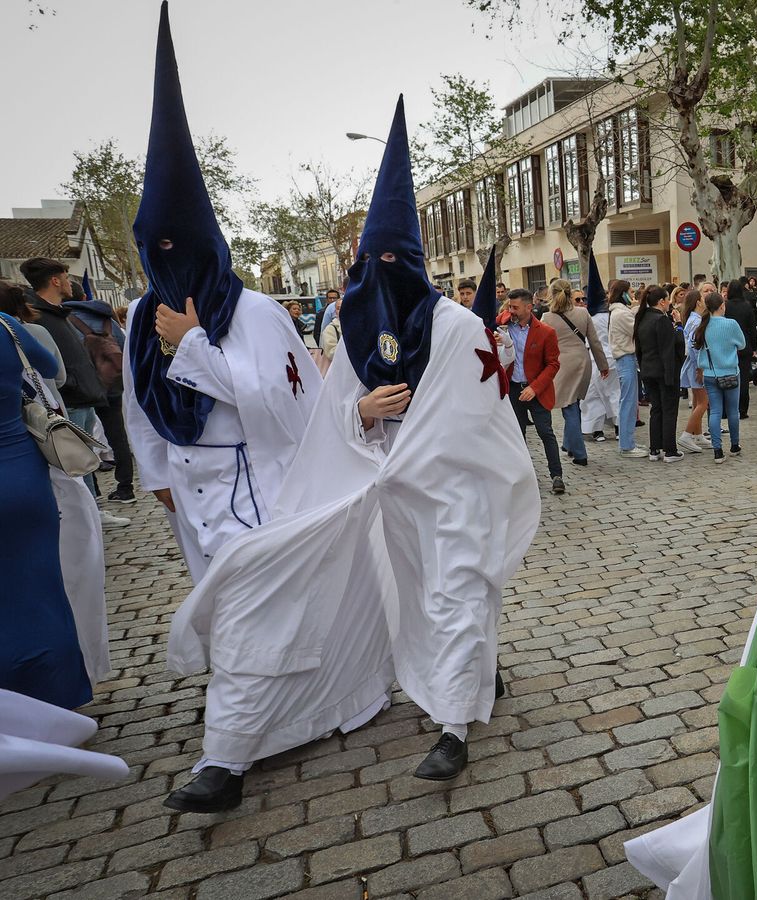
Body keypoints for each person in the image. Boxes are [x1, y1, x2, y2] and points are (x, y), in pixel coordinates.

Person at [166, 94, 539, 804]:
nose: (380, 272)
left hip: (454, 487)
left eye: (392, 260)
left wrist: (409, 448)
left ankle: (455, 725)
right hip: (387, 494)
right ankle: (236, 749)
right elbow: (327, 422)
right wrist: (363, 416)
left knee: (457, 591)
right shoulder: (358, 338)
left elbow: (477, 418)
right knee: (392, 596)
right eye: (370, 259)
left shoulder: (460, 327)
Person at [120, 3, 324, 812]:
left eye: (180, 246)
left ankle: (224, 765)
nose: (167, 263)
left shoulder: (259, 312)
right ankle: (274, 715)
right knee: (242, 620)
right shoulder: (140, 315)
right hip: (191, 492)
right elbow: (139, 403)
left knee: (242, 615)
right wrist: (155, 474)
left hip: (254, 486)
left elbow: (282, 406)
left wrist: (196, 346)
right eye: (153, 249)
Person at [0, 306, 92, 710]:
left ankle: (12, 711)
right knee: (41, 589)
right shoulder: (4, 323)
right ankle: (58, 701)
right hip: (17, 470)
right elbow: (50, 366)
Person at [20, 259, 107, 461]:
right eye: (66, 278)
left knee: (88, 464)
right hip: (69, 402)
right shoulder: (37, 317)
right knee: (78, 466)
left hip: (83, 399)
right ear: (55, 281)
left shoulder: (59, 313)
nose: (70, 284)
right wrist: (71, 384)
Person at [64, 281, 136, 506]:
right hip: (112, 386)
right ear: (85, 296)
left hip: (82, 389)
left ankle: (92, 490)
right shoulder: (107, 318)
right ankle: (126, 488)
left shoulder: (65, 320)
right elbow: (125, 349)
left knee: (82, 439)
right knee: (117, 436)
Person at [504, 288, 565, 494]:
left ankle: (556, 475)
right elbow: (492, 318)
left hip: (537, 390)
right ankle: (521, 478)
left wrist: (535, 387)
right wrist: (506, 315)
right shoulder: (505, 327)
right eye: (509, 306)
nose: (511, 310)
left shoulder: (546, 332)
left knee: (545, 432)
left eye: (515, 307)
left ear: (529, 307)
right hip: (512, 389)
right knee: (516, 436)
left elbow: (553, 364)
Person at [541, 279, 608, 467]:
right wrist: (602, 365)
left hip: (561, 365)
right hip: (582, 361)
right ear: (571, 294)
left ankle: (579, 452)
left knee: (568, 407)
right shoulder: (583, 312)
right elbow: (595, 342)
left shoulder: (547, 318)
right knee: (573, 403)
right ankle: (569, 444)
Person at [636, 285, 685, 461]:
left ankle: (655, 449)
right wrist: (679, 325)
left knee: (656, 409)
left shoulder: (642, 318)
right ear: (661, 301)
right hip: (664, 371)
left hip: (648, 370)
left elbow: (639, 349)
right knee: (669, 409)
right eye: (667, 300)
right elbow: (672, 347)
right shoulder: (661, 320)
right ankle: (670, 450)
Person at [695, 295, 745, 463]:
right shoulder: (731, 324)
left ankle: (717, 450)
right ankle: (734, 445)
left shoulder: (703, 325)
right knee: (732, 411)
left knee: (715, 411)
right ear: (722, 306)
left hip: (710, 373)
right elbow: (742, 344)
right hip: (730, 371)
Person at [606, 280, 647, 458]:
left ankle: (628, 441)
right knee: (628, 403)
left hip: (626, 358)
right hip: (625, 358)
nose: (632, 295)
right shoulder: (620, 314)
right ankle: (627, 445)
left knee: (630, 402)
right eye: (630, 292)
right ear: (622, 293)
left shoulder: (621, 312)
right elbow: (637, 330)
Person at [581, 280, 625, 442]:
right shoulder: (613, 315)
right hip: (613, 357)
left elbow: (589, 342)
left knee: (594, 395)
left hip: (595, 359)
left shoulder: (590, 318)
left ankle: (596, 430)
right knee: (615, 393)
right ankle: (619, 427)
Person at [678, 286, 710, 452]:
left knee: (699, 400)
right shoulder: (696, 321)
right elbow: (694, 346)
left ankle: (697, 434)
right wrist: (700, 367)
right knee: (703, 402)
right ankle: (686, 435)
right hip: (697, 365)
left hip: (694, 364)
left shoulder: (692, 319)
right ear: (698, 302)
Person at [723, 280, 757, 419]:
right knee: (743, 379)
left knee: (727, 377)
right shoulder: (747, 306)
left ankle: (727, 409)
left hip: (727, 346)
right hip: (744, 346)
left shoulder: (726, 306)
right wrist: (754, 347)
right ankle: (742, 409)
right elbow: (752, 329)